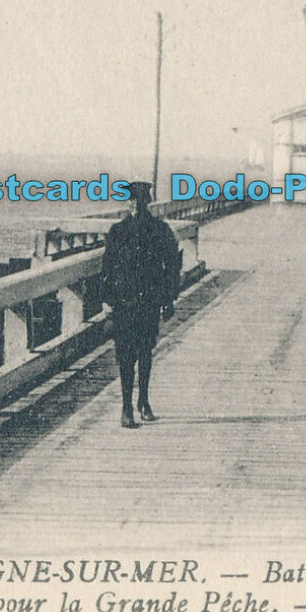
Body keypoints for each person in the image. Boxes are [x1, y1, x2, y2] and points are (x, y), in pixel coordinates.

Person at [100, 181, 181, 429]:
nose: (135, 204)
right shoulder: (117, 231)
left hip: (149, 301)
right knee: (125, 356)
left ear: (147, 202)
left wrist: (168, 299)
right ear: (127, 202)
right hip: (124, 301)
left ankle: (143, 400)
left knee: (145, 353)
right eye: (131, 199)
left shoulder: (160, 230)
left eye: (140, 200)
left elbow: (172, 267)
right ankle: (126, 407)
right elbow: (107, 269)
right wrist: (106, 300)